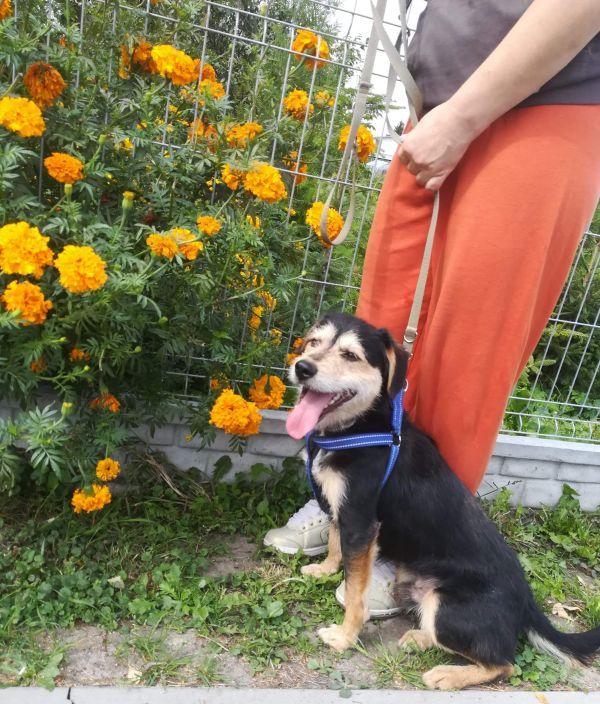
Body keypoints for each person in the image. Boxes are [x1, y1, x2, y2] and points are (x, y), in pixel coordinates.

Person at [265, 0, 600, 618]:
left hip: (545, 105)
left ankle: (414, 544)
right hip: (438, 107)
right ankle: (348, 500)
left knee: (469, 349)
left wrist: (465, 117)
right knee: (373, 332)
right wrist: (445, 112)